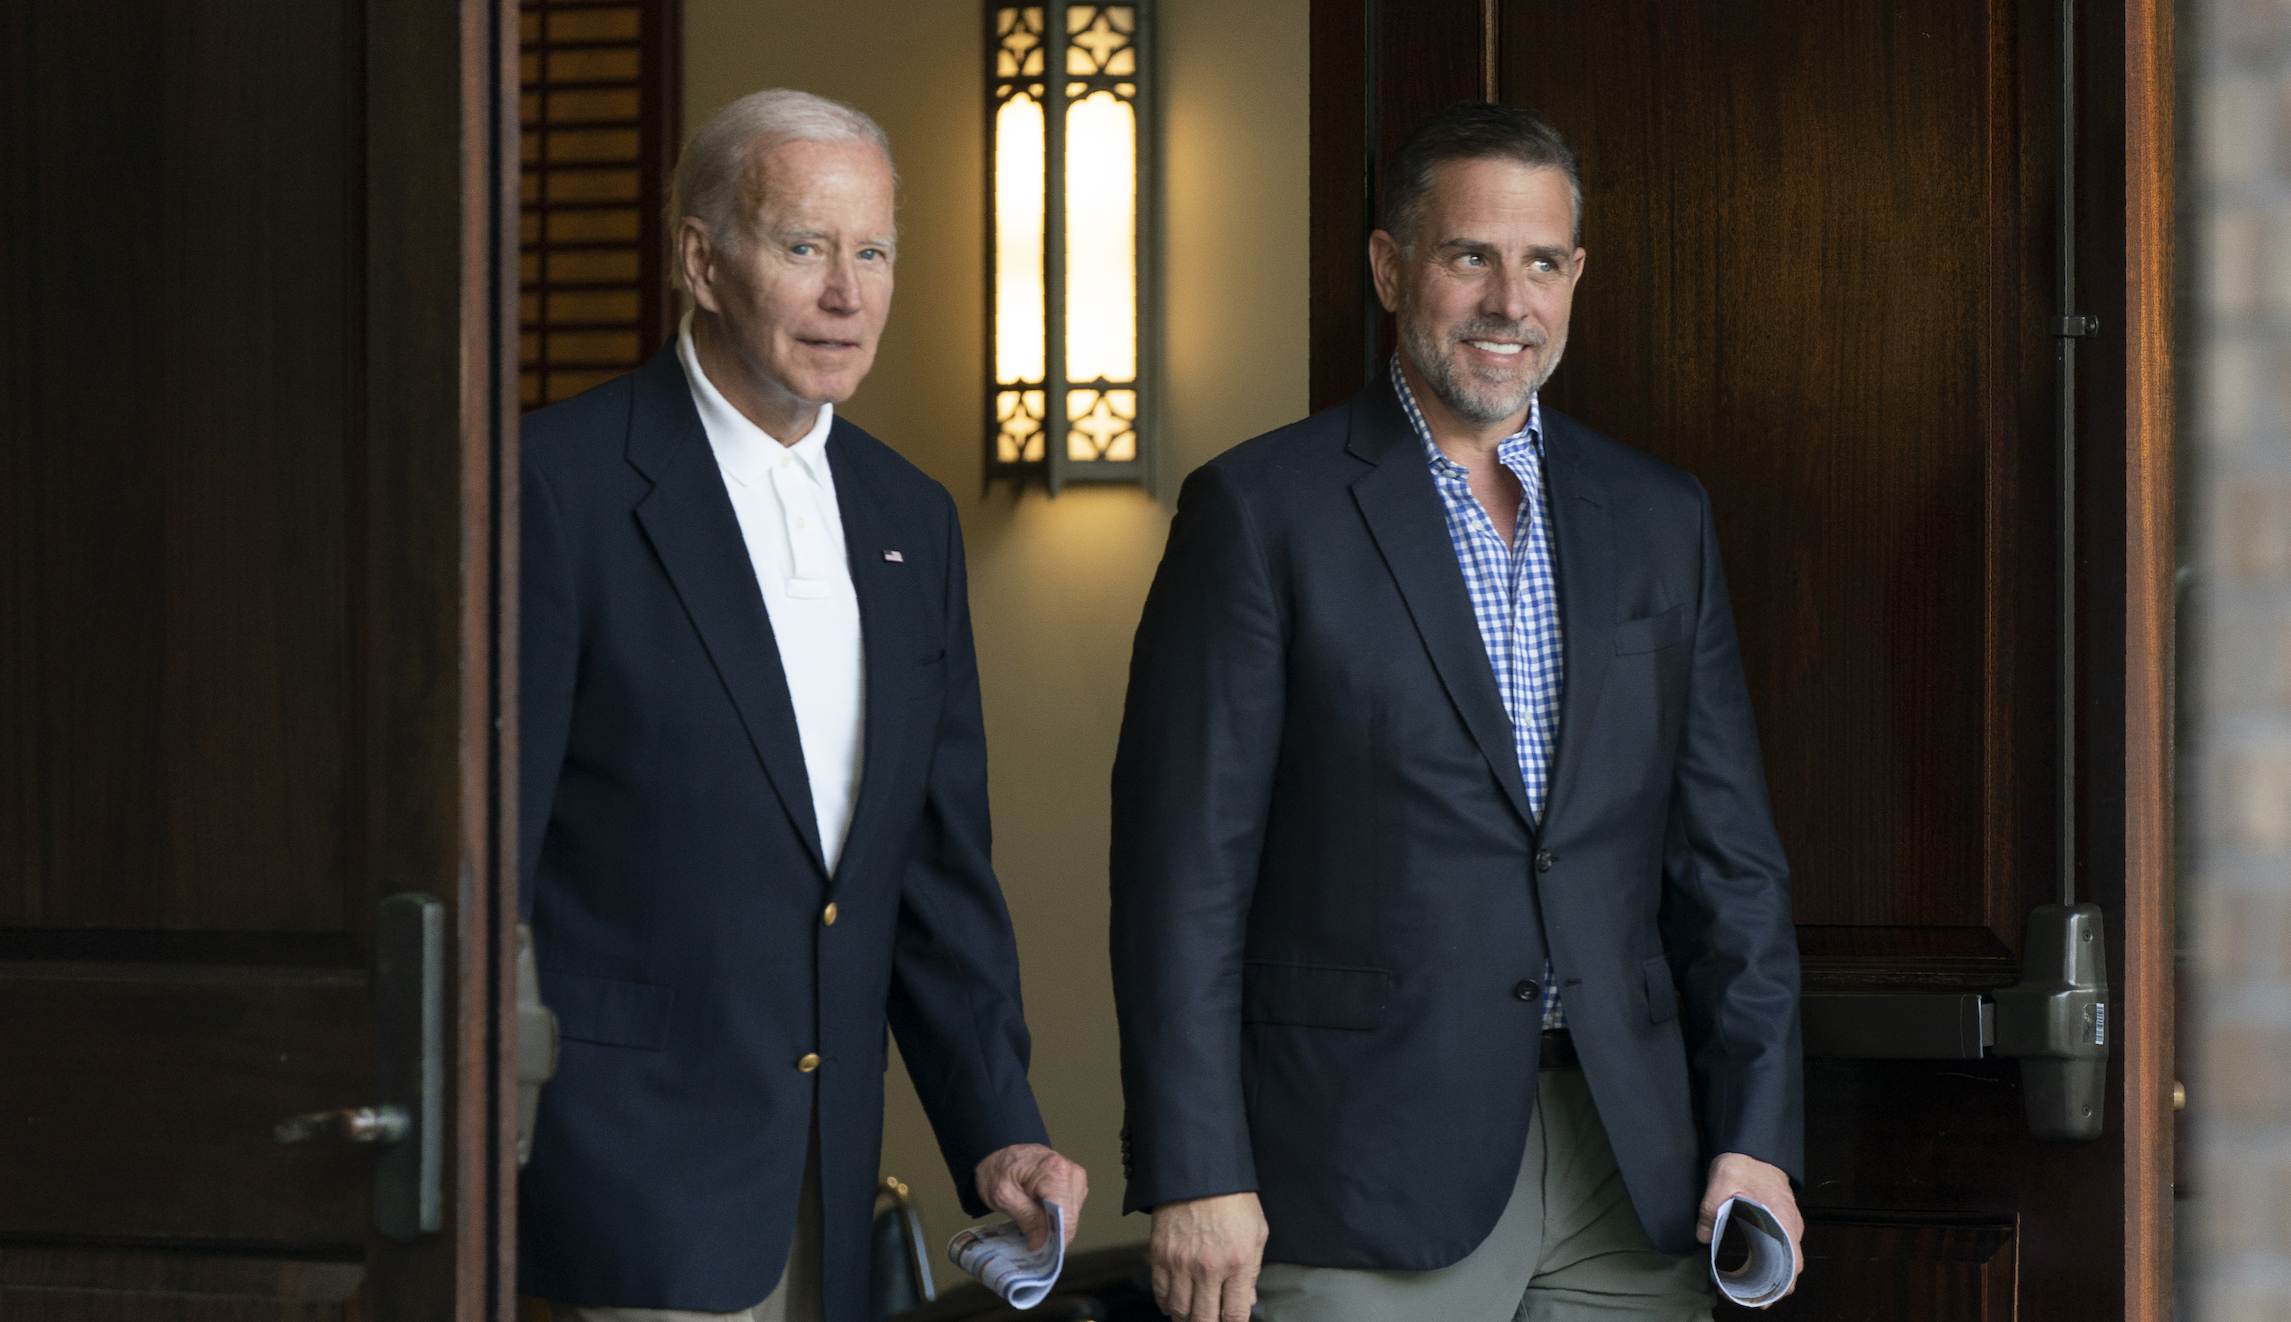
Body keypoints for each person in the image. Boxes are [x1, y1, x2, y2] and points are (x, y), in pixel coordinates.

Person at [1108, 101, 1801, 1322]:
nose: (1507, 302)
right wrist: (1195, 1163)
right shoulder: (1259, 512)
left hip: (1627, 1168)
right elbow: (1183, 875)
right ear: (1389, 267)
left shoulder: (1658, 516)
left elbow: (1727, 863)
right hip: (1357, 1162)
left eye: (1541, 263)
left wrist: (1755, 1134)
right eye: (1468, 255)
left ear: (1574, 277)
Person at [517, 89, 1086, 1322]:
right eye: (803, 247)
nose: (846, 294)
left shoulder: (910, 517)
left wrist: (998, 1127)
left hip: (824, 1184)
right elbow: (486, 863)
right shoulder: (554, 485)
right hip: (614, 1184)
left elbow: (932, 871)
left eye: (872, 252)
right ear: (699, 261)